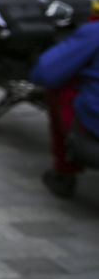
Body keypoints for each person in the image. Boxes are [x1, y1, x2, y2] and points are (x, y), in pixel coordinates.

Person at [32, 20, 99, 198]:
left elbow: (45, 72)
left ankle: (64, 172)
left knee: (60, 87)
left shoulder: (94, 32)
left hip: (91, 139)